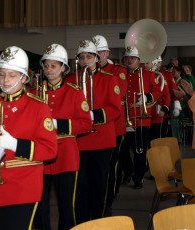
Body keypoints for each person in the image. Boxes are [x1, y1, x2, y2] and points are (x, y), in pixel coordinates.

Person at [0, 46, 57, 230]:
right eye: (2, 74)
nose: (5, 80)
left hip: (23, 188)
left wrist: (14, 144)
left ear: (23, 78)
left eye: (12, 75)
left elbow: (50, 150)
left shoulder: (38, 107)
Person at [33, 44, 91, 230]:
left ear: (63, 68)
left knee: (67, 207)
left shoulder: (73, 92)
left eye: (54, 66)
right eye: (46, 66)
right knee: (40, 207)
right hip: (41, 158)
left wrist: (59, 125)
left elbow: (86, 124)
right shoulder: (34, 93)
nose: (49, 70)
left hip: (66, 158)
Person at [66, 40, 121, 222]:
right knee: (81, 185)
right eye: (81, 57)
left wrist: (93, 115)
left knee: (100, 183)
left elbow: (115, 110)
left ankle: (100, 219)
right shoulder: (70, 80)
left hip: (102, 140)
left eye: (89, 56)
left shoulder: (109, 79)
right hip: (79, 141)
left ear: (97, 58)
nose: (85, 60)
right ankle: (82, 221)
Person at [92, 35, 128, 216]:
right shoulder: (86, 73)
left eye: (99, 52)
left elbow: (117, 96)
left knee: (110, 169)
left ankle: (108, 201)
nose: (97, 56)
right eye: (94, 53)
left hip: (114, 127)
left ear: (107, 53)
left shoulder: (117, 71)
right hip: (91, 131)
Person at [120, 46, 161, 189]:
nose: (129, 60)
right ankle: (128, 171)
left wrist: (146, 97)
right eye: (127, 58)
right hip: (125, 119)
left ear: (138, 60)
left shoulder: (148, 75)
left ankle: (138, 178)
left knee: (140, 150)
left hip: (142, 120)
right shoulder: (122, 75)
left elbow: (157, 92)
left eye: (132, 58)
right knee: (122, 149)